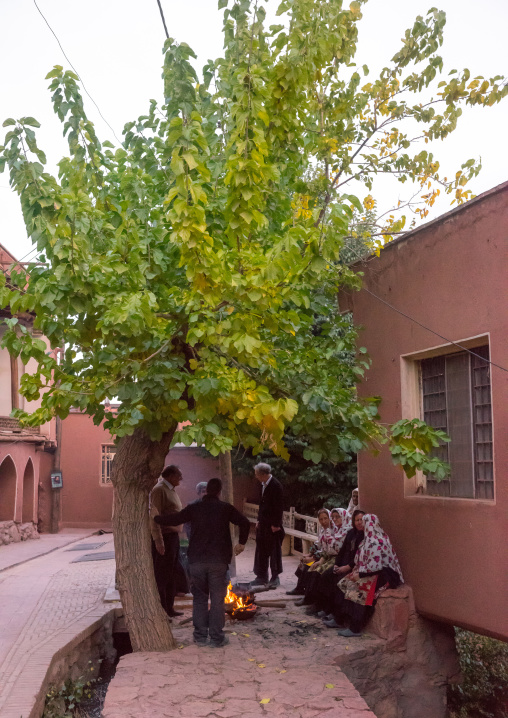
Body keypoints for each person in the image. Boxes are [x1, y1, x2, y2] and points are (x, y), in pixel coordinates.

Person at [153, 477, 250, 648]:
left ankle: (199, 637)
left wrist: (156, 519)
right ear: (219, 491)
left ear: (206, 491)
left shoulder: (194, 507)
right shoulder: (225, 508)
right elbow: (244, 522)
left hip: (196, 562)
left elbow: (175, 519)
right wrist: (241, 542)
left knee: (199, 599)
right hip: (219, 562)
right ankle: (217, 638)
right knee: (218, 600)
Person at [332, 513, 403, 637]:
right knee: (344, 582)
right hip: (370, 571)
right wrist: (357, 571)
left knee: (360, 589)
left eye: (364, 522)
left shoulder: (377, 541)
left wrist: (359, 574)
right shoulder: (367, 539)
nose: (361, 525)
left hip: (385, 574)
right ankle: (340, 618)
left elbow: (376, 567)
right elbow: (361, 560)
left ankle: (355, 628)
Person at [149, 464, 185, 619]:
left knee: (172, 574)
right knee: (162, 576)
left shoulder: (170, 490)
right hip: (165, 537)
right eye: (178, 476)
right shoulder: (159, 490)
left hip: (173, 537)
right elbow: (154, 515)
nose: (181, 479)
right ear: (170, 476)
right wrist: (158, 541)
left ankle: (169, 607)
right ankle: (161, 610)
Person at [251, 462, 285, 589]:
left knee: (274, 551)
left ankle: (275, 577)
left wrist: (276, 524)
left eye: (257, 474)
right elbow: (262, 505)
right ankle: (261, 576)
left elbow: (279, 507)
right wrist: (259, 520)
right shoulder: (262, 485)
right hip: (264, 523)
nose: (256, 477)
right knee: (261, 550)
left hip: (272, 525)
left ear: (263, 474)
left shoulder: (276, 486)